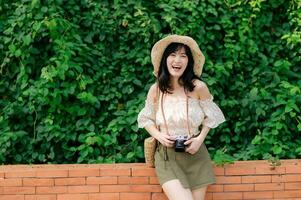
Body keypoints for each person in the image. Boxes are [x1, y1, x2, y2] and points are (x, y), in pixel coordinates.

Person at [137, 35, 225, 200]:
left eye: (183, 56)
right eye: (173, 55)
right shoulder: (156, 90)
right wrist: (159, 136)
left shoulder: (199, 87)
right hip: (166, 156)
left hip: (195, 154)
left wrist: (199, 139)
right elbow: (146, 119)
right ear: (165, 59)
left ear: (188, 62)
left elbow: (212, 116)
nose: (177, 60)